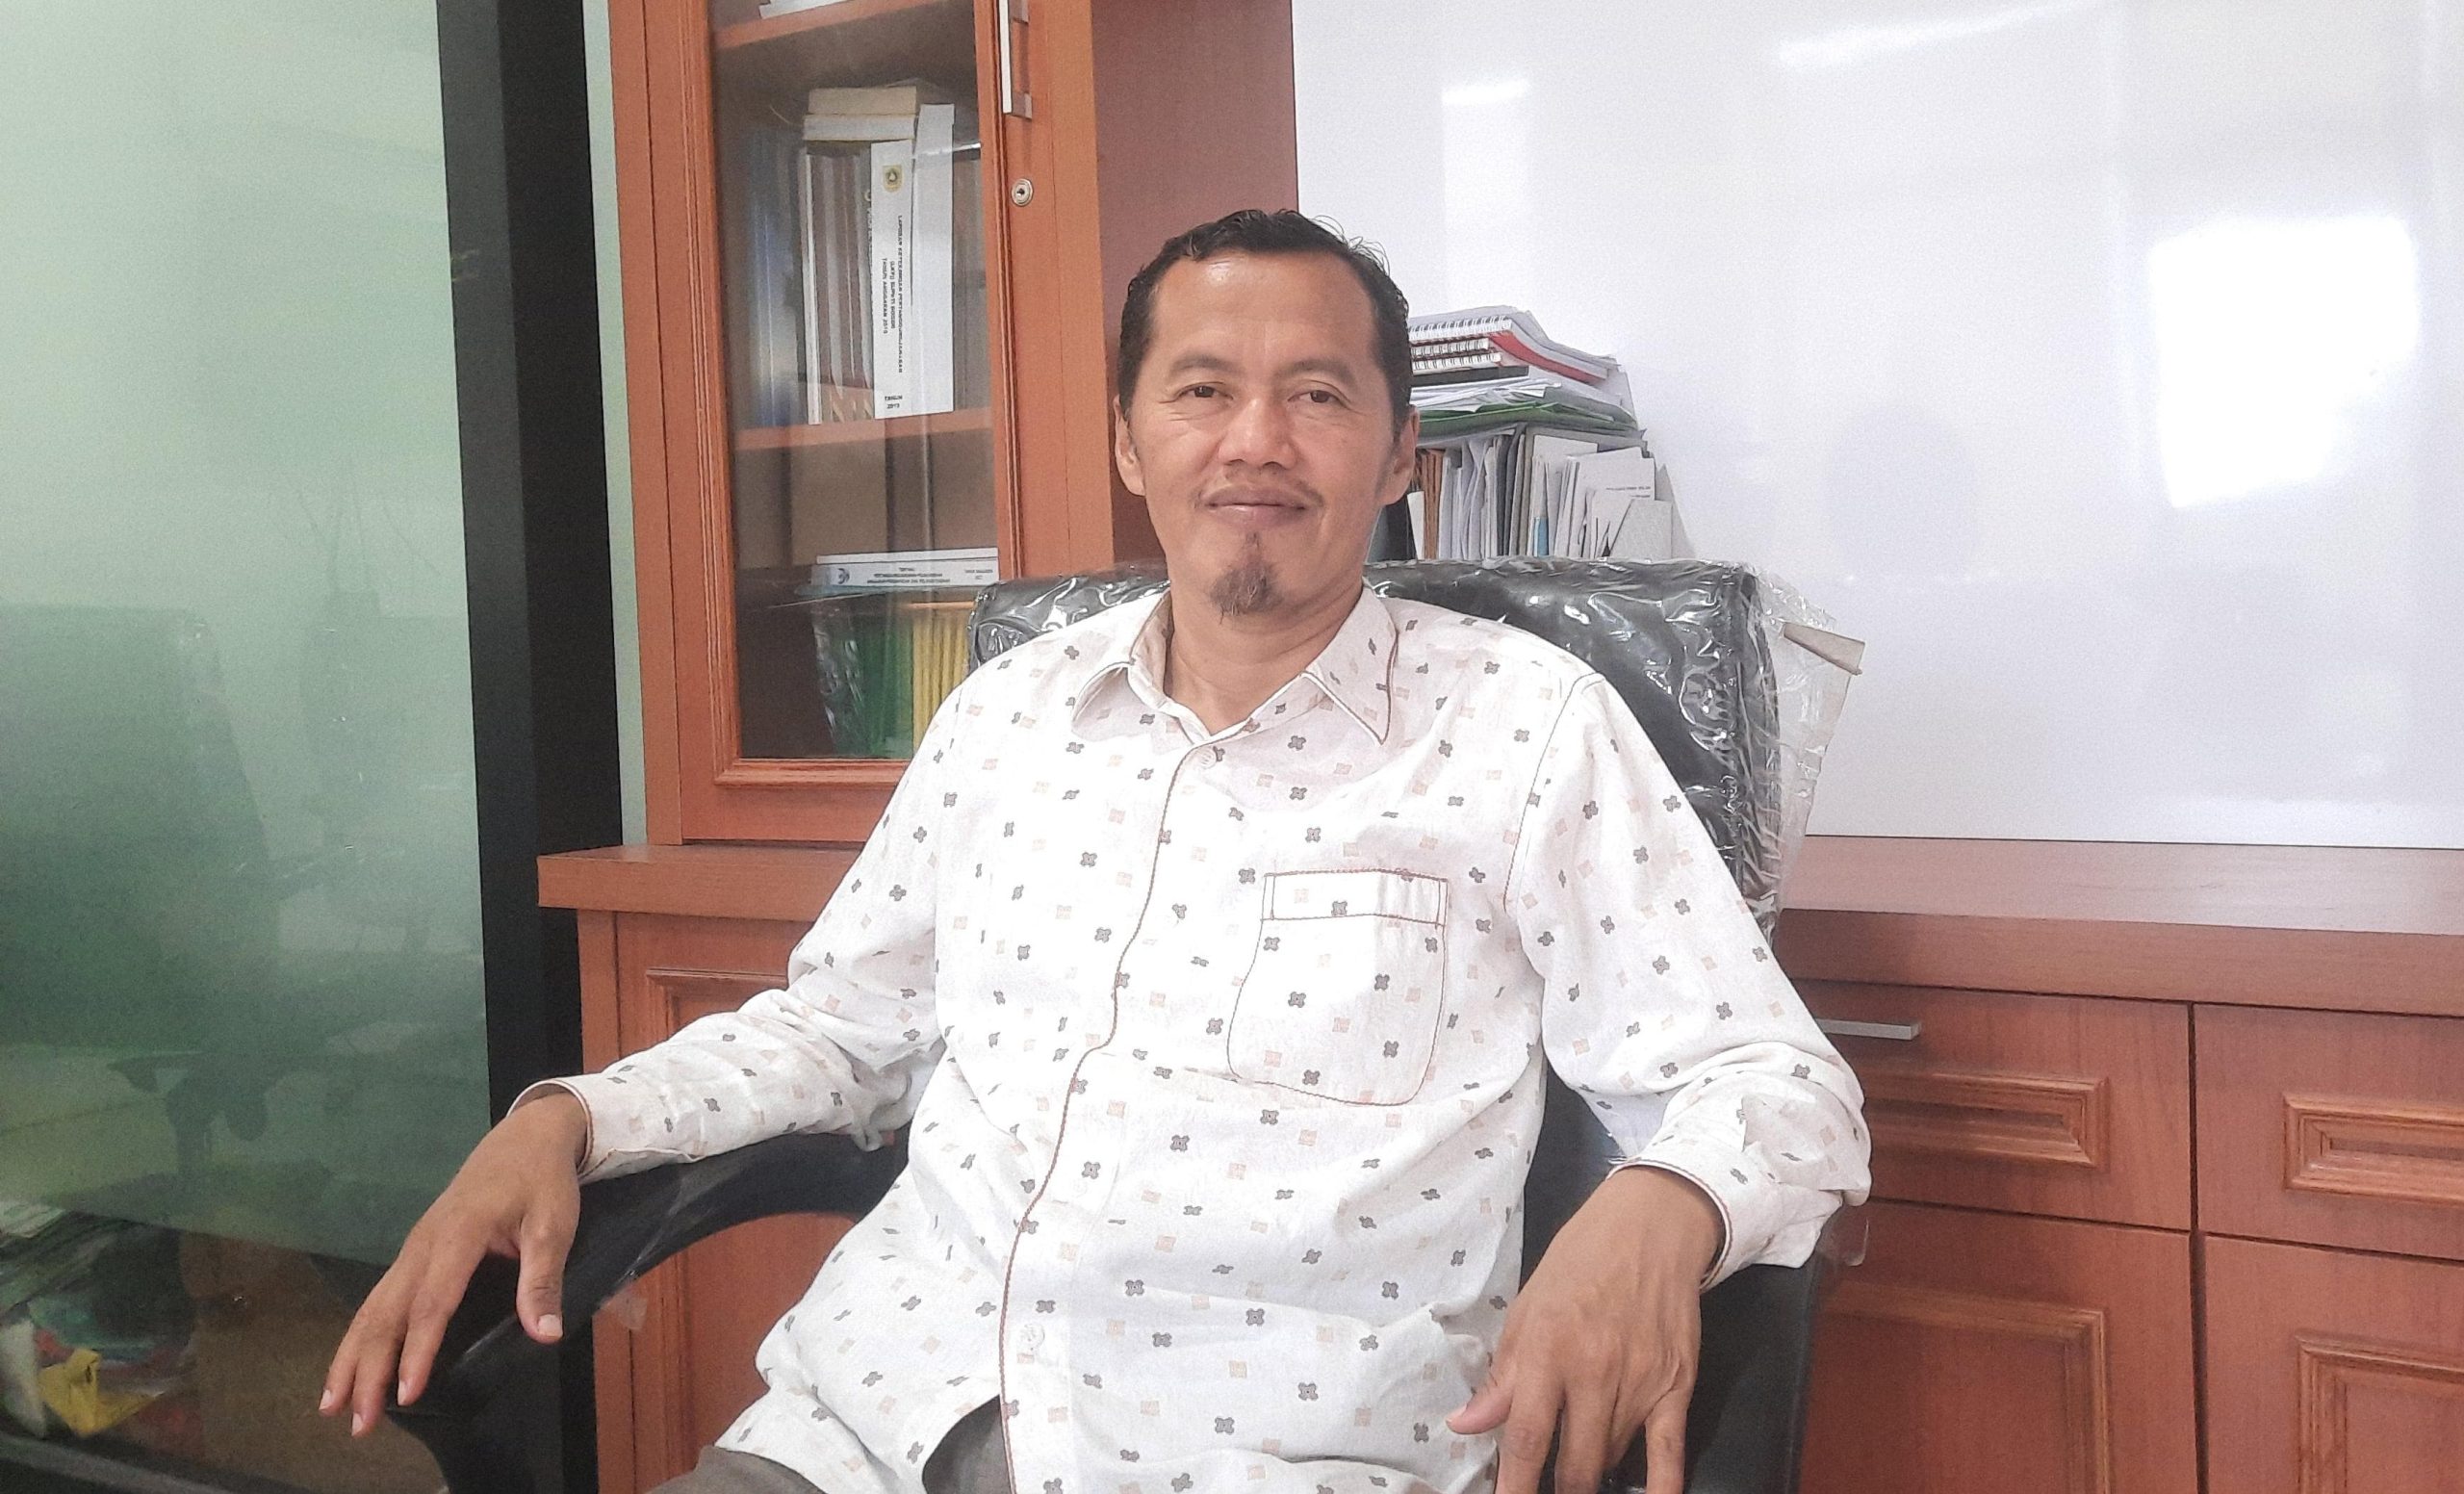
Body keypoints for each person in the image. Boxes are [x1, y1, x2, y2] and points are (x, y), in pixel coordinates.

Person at [322, 210, 1869, 1494]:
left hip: (1265, 1458)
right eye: (1202, 390)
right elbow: (842, 1029)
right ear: (1130, 439)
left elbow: (1775, 1082)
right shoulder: (1009, 714)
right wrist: (569, 1118)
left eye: (1318, 396)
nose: (1256, 443)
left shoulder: (1526, 728)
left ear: (1401, 450)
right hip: (869, 1428)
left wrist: (1661, 1207)